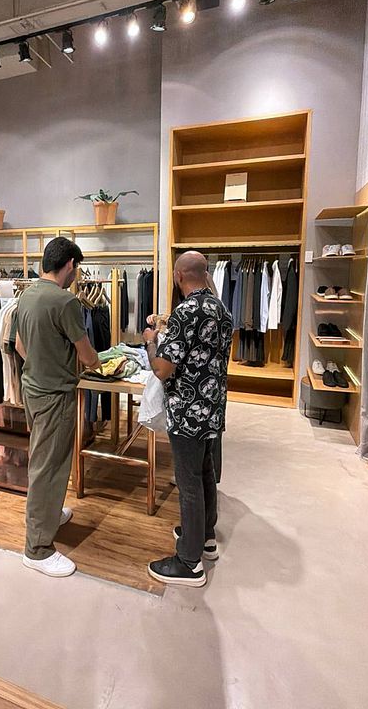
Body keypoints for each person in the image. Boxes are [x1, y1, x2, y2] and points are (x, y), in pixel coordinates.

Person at [143, 251, 232, 587]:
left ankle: (189, 561)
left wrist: (152, 343)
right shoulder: (221, 309)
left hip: (187, 410)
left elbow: (163, 370)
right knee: (205, 471)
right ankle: (204, 536)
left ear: (179, 275)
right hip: (212, 406)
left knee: (189, 482)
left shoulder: (186, 311)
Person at [16, 237, 101, 578]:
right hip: (54, 395)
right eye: (75, 269)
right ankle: (36, 549)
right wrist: (99, 362)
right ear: (68, 265)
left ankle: (48, 516)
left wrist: (44, 362)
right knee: (48, 467)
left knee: (44, 460)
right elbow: (87, 355)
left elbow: (21, 346)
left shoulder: (26, 295)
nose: (75, 275)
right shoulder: (65, 302)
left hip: (33, 389)